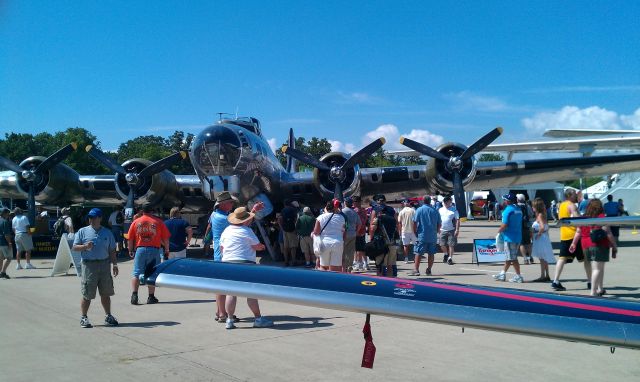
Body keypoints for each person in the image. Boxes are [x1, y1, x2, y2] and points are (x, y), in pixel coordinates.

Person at [220, 206, 273, 329]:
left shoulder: (226, 230)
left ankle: (229, 320)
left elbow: (222, 249)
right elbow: (256, 246)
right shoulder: (247, 231)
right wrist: (262, 247)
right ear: (245, 220)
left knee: (231, 293)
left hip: (228, 263)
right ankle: (258, 319)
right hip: (245, 264)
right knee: (250, 293)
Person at [72, 208, 119, 328]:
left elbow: (112, 250)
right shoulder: (82, 231)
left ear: (100, 218)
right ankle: (84, 317)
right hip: (89, 265)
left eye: (95, 217)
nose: (92, 219)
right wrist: (84, 246)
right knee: (87, 293)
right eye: (90, 217)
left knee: (106, 293)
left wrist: (115, 264)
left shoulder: (107, 233)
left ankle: (108, 316)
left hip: (104, 264)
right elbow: (74, 248)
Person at [569, 199, 617, 296]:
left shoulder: (583, 218)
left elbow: (578, 232)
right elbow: (608, 232)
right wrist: (614, 245)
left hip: (585, 244)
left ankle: (600, 288)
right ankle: (593, 292)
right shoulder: (602, 217)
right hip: (598, 245)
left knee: (599, 268)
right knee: (597, 269)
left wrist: (573, 243)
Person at [127, 204, 170, 305]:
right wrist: (167, 249)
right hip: (154, 249)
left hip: (140, 249)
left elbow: (131, 238)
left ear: (142, 211)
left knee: (136, 273)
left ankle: (134, 295)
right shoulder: (158, 222)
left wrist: (130, 249)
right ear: (152, 210)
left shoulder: (136, 222)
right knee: (152, 273)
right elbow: (165, 238)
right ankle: (151, 297)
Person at [204, 192, 236, 322]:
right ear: (223, 204)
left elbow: (209, 227)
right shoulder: (225, 219)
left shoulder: (214, 215)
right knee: (223, 286)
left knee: (219, 285)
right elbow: (241, 224)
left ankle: (219, 311)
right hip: (224, 254)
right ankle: (223, 313)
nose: (232, 204)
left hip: (218, 252)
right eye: (231, 202)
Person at [551, 188, 591, 291]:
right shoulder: (572, 205)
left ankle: (555, 281)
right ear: (569, 196)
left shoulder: (561, 205)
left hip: (564, 235)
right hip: (574, 235)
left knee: (562, 258)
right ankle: (590, 281)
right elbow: (579, 221)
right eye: (574, 194)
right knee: (586, 259)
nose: (576, 196)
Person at [493, 193, 524, 283]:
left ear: (508, 201)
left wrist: (499, 231)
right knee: (509, 257)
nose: (504, 201)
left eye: (505, 199)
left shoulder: (508, 210)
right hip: (517, 236)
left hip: (509, 237)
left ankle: (519, 276)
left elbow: (505, 224)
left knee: (513, 258)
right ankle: (503, 274)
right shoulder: (518, 209)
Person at [409, 196, 441, 276]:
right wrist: (436, 232)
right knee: (431, 253)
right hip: (432, 235)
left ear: (423, 201)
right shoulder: (435, 211)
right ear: (430, 201)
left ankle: (416, 269)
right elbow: (439, 224)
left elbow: (415, 222)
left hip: (422, 235)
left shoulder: (419, 209)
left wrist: (414, 232)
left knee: (418, 252)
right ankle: (429, 269)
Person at [313, 199, 345, 272]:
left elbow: (316, 232)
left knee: (324, 267)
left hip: (325, 243)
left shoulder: (320, 217)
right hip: (338, 242)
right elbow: (343, 231)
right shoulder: (341, 217)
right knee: (336, 268)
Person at [370, 202, 398, 277]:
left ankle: (380, 282)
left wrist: (372, 239)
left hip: (381, 245)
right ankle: (390, 280)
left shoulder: (378, 219)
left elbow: (372, 229)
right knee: (390, 266)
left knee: (380, 266)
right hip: (392, 244)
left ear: (381, 211)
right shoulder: (393, 219)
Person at [530, 198, 555, 282]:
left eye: (533, 206)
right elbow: (546, 227)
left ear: (536, 207)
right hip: (544, 237)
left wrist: (538, 234)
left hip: (540, 238)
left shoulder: (540, 215)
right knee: (544, 257)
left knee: (541, 258)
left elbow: (542, 227)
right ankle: (546, 275)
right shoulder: (543, 214)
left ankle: (542, 276)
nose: (532, 208)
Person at [341, 197, 361, 273]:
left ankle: (343, 268)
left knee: (343, 251)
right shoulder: (354, 212)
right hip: (353, 234)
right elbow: (359, 224)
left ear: (345, 203)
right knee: (350, 252)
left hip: (344, 234)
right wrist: (356, 231)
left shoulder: (342, 212)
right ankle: (349, 268)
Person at [438, 196, 460, 265]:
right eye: (445, 201)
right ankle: (446, 254)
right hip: (442, 229)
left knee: (451, 245)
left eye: (448, 201)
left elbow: (457, 220)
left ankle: (450, 258)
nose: (446, 203)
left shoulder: (454, 210)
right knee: (442, 244)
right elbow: (438, 220)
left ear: (450, 202)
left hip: (451, 230)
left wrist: (457, 230)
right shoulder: (440, 210)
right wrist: (437, 228)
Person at [278, 200, 299, 266]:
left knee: (286, 247)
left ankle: (286, 261)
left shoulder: (282, 210)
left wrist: (282, 228)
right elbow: (296, 219)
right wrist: (295, 228)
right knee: (293, 247)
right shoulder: (293, 210)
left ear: (284, 204)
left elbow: (279, 219)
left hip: (285, 231)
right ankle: (293, 261)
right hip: (292, 230)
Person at [352, 195, 369, 272]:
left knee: (358, 249)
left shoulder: (355, 211)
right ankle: (365, 263)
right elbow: (365, 221)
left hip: (357, 232)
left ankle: (359, 264)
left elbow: (357, 223)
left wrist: (356, 231)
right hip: (362, 231)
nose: (353, 203)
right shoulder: (364, 210)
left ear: (357, 202)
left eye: (354, 202)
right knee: (361, 248)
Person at [516, 194, 534, 265]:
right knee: (528, 242)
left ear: (518, 199)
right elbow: (531, 214)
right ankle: (529, 257)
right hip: (527, 225)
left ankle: (525, 259)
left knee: (521, 243)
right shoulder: (527, 206)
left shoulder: (516, 206)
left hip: (519, 226)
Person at [398, 199, 416, 264]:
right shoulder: (413, 210)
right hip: (412, 230)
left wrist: (400, 231)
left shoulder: (401, 211)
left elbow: (399, 223)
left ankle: (406, 258)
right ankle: (415, 258)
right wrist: (415, 230)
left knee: (406, 245)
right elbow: (415, 221)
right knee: (415, 245)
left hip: (404, 230)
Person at [0, 208, 13, 279]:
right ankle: (3, 272)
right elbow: (6, 234)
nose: (9, 215)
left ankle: (0, 272)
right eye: (8, 214)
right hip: (4, 242)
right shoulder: (5, 222)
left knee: (1, 258)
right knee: (9, 257)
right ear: (5, 214)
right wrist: (9, 242)